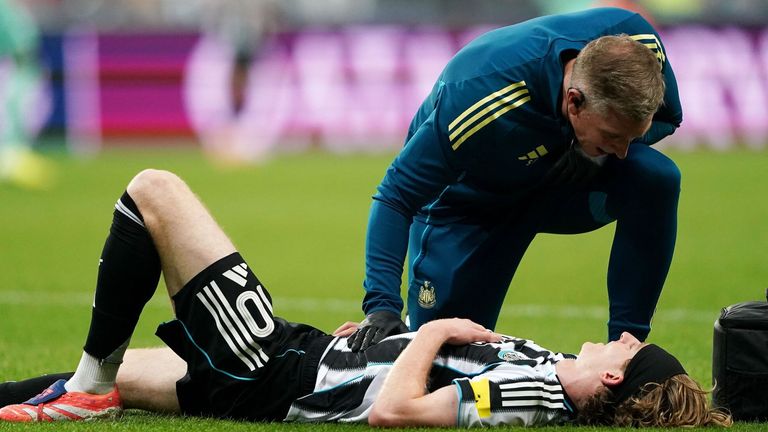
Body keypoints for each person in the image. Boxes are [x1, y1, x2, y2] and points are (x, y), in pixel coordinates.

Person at [0, 170, 729, 427]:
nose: (622, 339)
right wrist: (381, 345)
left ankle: (87, 392)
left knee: (155, 190)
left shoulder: (533, 399)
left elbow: (394, 411)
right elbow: (400, 381)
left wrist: (429, 331)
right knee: (112, 377)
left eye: (629, 349)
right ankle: (85, 388)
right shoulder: (545, 383)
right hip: (301, 365)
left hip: (276, 367)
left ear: (612, 378)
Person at [350, 7, 684, 351]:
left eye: (631, 137)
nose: (622, 151)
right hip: (471, 206)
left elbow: (670, 118)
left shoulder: (641, 48)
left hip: (556, 185)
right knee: (443, 358)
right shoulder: (480, 99)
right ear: (574, 102)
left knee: (654, 176)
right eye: (612, 136)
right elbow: (395, 195)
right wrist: (381, 305)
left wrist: (589, 150)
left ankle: (626, 351)